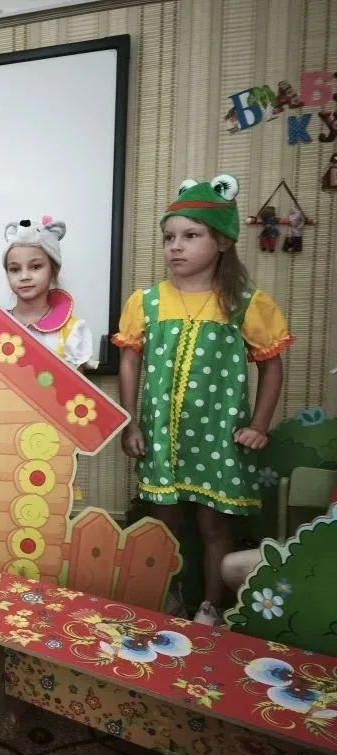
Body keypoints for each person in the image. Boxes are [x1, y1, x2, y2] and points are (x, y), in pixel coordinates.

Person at [113, 174, 293, 626]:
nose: (176, 246)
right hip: (162, 437)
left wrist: (260, 425)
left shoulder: (244, 304)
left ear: (223, 242)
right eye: (169, 237)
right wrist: (132, 423)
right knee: (163, 522)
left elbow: (271, 365)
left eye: (191, 236)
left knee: (215, 526)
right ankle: (165, 597)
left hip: (218, 438)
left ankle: (211, 605)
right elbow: (130, 361)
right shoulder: (147, 302)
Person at [2, 216, 95, 371]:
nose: (24, 276)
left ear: (53, 270)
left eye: (35, 267)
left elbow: (74, 385)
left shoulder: (71, 331)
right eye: (15, 269)